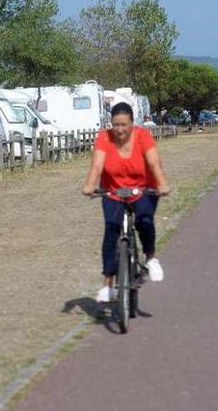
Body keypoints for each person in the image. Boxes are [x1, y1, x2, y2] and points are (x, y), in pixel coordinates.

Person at [82, 102, 172, 303]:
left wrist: (162, 183)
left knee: (144, 221)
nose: (120, 130)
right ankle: (108, 285)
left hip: (144, 189)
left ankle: (150, 258)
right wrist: (89, 185)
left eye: (124, 125)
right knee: (111, 231)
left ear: (133, 123)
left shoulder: (143, 137)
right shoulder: (104, 138)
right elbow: (97, 166)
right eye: (116, 125)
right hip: (113, 191)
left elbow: (153, 163)